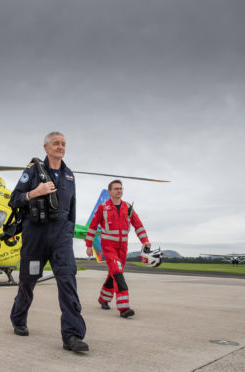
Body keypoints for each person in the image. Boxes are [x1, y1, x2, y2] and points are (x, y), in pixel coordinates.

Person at [9, 131, 88, 352]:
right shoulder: (33, 171)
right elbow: (14, 199)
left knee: (67, 281)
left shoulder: (70, 175)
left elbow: (71, 209)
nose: (60, 147)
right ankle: (18, 317)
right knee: (28, 280)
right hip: (35, 235)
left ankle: (72, 336)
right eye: (56, 143)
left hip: (61, 236)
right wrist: (34, 192)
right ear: (46, 148)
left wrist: (69, 232)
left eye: (63, 143)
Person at [85, 180, 151, 318]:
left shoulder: (128, 207)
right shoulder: (103, 208)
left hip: (123, 247)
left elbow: (138, 225)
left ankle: (103, 298)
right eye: (116, 189)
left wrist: (145, 241)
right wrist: (89, 245)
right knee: (118, 274)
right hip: (108, 247)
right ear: (109, 191)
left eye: (121, 188)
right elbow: (92, 226)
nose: (119, 191)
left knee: (113, 274)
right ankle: (124, 307)